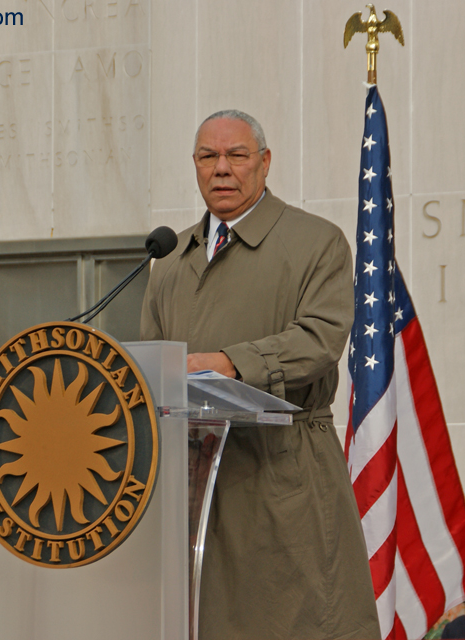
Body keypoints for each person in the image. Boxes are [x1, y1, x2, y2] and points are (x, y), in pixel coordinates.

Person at [140, 110, 379, 639]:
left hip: (282, 474)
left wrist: (229, 363)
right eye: (208, 156)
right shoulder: (170, 258)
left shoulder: (316, 242)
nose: (221, 168)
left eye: (237, 155)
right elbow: (154, 366)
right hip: (193, 484)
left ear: (265, 162)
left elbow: (320, 340)